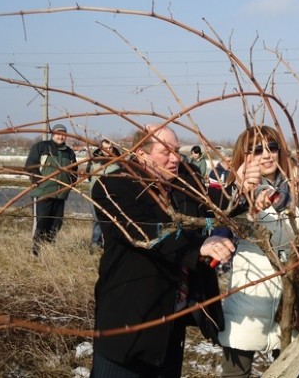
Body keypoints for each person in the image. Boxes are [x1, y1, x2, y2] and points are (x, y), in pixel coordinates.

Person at [90, 125, 236, 378]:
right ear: (140, 153)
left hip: (170, 323)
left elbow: (221, 204)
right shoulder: (113, 187)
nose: (176, 158)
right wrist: (197, 246)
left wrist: (244, 186)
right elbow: (143, 230)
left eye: (177, 151)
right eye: (166, 151)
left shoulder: (182, 185)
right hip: (130, 322)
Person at [218, 125, 299, 378]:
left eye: (272, 147)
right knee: (235, 371)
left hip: (291, 292)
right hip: (251, 291)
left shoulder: (298, 183)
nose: (266, 154)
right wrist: (245, 201)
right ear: (244, 155)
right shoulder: (236, 190)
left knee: (288, 369)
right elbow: (219, 223)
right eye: (256, 149)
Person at [24, 123, 78, 256]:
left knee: (56, 224)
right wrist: (38, 181)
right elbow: (30, 166)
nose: (61, 136)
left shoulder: (69, 152)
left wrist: (71, 182)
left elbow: (74, 171)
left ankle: (49, 251)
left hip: (60, 195)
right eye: (58, 133)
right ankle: (36, 251)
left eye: (64, 134)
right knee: (41, 222)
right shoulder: (42, 147)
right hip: (43, 193)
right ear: (53, 134)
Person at [85, 139, 121, 252]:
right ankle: (96, 245)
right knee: (97, 221)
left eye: (110, 148)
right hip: (95, 196)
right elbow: (89, 176)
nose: (108, 150)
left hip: (112, 197)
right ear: (101, 148)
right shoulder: (94, 161)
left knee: (111, 221)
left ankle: (111, 245)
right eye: (105, 148)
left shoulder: (118, 162)